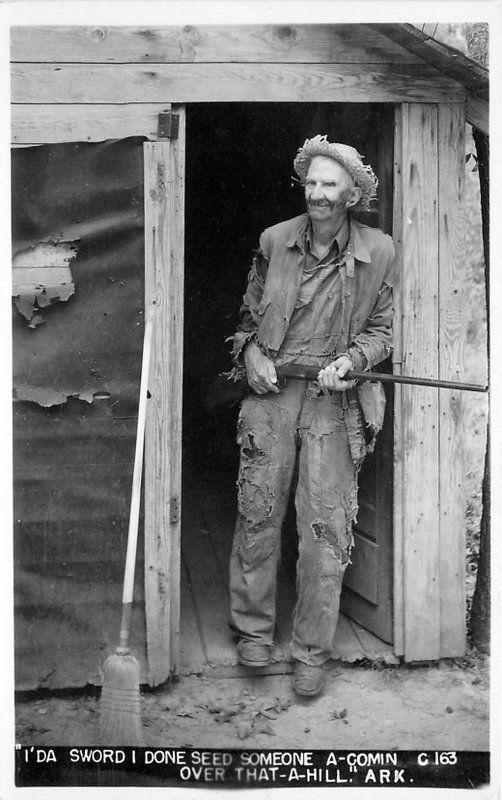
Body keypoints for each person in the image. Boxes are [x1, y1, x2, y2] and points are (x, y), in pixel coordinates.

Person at [227, 135, 395, 697]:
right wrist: (250, 355)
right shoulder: (274, 241)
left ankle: (311, 652)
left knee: (324, 528)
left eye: (331, 185)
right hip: (273, 397)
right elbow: (247, 320)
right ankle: (251, 632)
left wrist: (352, 360)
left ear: (352, 195)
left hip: (334, 403)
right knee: (258, 513)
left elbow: (384, 333)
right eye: (312, 183)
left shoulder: (380, 250)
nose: (318, 194)